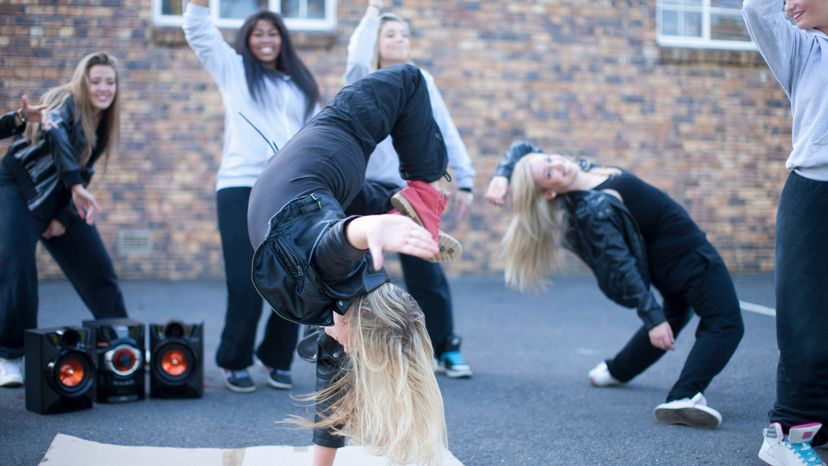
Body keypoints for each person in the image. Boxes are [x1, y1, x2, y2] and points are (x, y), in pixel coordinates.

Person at [248, 64, 450, 466]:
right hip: (337, 156)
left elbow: (331, 395)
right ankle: (421, 196)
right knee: (409, 80)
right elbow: (335, 243)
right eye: (360, 351)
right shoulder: (334, 268)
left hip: (328, 185)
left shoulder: (339, 319)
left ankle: (394, 205)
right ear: (357, 331)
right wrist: (370, 228)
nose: (350, 356)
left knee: (356, 210)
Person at [485, 141, 744, 428]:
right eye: (549, 173)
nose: (557, 164)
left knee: (677, 313)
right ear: (549, 192)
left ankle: (615, 370)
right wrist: (651, 317)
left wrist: (502, 175)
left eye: (551, 158)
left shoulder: (583, 174)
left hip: (671, 259)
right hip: (690, 257)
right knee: (725, 323)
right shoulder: (592, 208)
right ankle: (682, 397)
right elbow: (621, 265)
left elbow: (522, 148)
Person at [183, 0, 320, 393]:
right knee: (245, 281)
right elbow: (199, 34)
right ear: (247, 39)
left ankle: (275, 358)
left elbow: (314, 139)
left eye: (272, 33)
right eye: (258, 33)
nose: (265, 39)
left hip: (287, 192)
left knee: (295, 278)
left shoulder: (300, 85)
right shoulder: (235, 70)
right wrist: (196, 6)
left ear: (283, 40)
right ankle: (234, 360)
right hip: (239, 188)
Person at [342, 0, 475, 378]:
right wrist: (372, 13)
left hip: (410, 192)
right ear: (376, 41)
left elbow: (444, 129)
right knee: (361, 269)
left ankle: (443, 346)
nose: (399, 39)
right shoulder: (364, 76)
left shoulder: (421, 79)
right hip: (365, 189)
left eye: (404, 34)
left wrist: (464, 179)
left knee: (426, 271)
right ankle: (358, 350)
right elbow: (355, 57)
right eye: (391, 33)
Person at [0, 51, 129, 387]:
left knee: (98, 267)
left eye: (110, 82)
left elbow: (83, 171)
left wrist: (63, 216)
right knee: (17, 266)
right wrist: (73, 185)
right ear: (83, 82)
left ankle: (120, 343)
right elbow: (57, 139)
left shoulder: (102, 124)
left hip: (60, 200)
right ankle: (11, 356)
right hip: (18, 188)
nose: (103, 88)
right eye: (95, 80)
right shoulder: (63, 101)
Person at [743, 0, 828, 464]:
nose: (790, 4)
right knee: (805, 324)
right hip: (814, 194)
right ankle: (785, 435)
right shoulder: (802, 49)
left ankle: (819, 424)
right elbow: (758, 9)